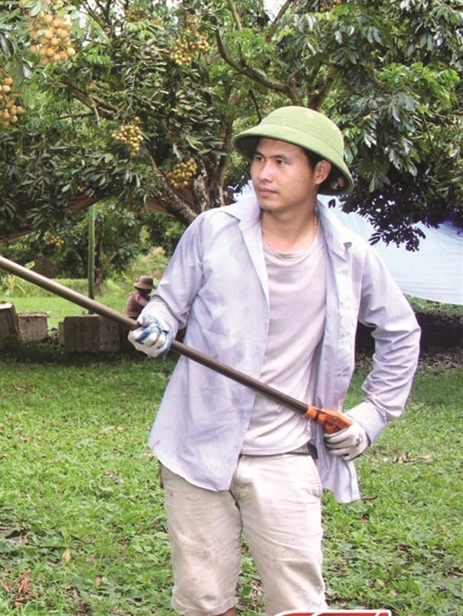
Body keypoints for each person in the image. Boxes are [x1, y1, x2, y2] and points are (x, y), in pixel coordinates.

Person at [127, 106, 420, 616]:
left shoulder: (350, 255)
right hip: (196, 442)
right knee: (202, 600)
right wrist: (157, 324)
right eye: (260, 159)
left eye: (282, 162)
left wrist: (371, 417)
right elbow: (169, 303)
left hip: (286, 454)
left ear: (320, 172)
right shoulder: (212, 230)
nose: (263, 173)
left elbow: (401, 333)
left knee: (297, 603)